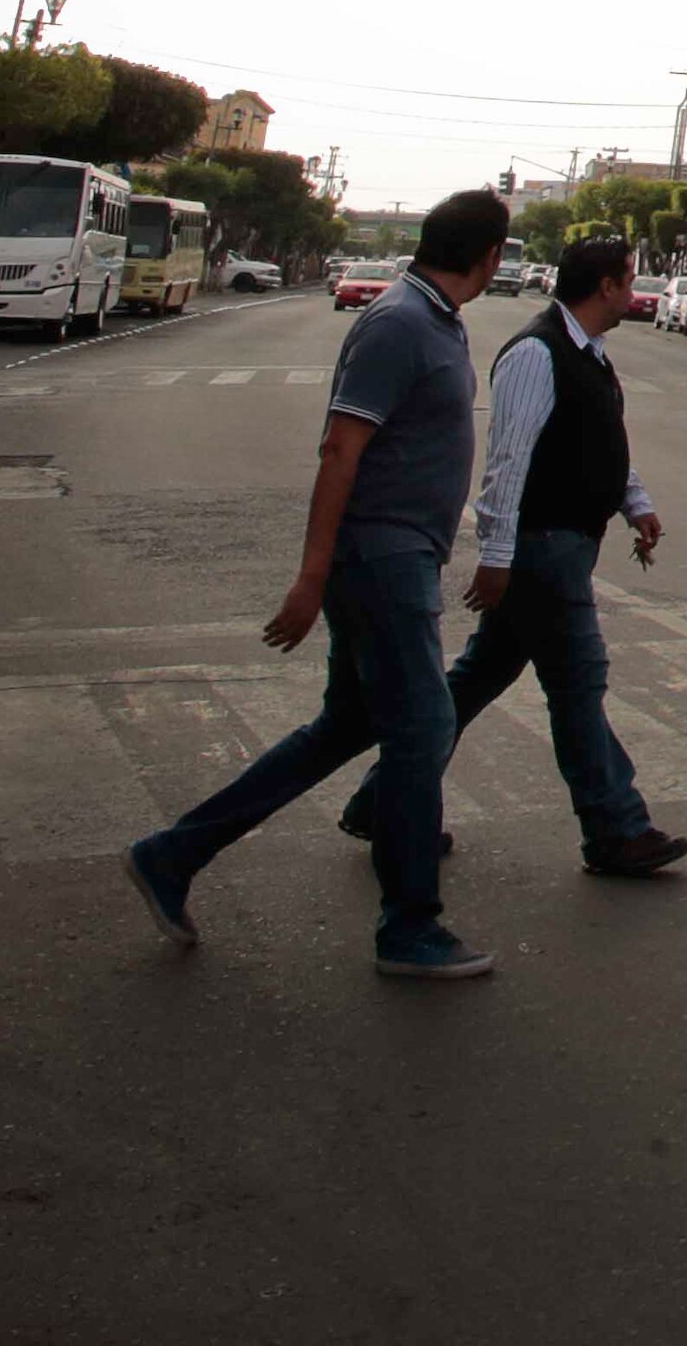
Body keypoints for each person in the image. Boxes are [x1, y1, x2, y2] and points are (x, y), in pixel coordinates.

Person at [126, 190, 506, 979]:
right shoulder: (401, 322)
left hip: (397, 556)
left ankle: (173, 853)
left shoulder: (432, 316)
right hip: (382, 560)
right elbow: (340, 449)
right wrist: (310, 576)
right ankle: (409, 926)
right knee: (423, 728)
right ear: (490, 256)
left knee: (348, 726)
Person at [352, 234, 686, 876]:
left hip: (565, 544)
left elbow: (596, 443)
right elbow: (508, 462)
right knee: (578, 683)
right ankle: (616, 827)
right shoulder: (538, 351)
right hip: (543, 549)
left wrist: (633, 500)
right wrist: (496, 555)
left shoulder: (589, 352)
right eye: (630, 281)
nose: (637, 293)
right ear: (606, 287)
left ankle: (384, 803)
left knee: (479, 675)